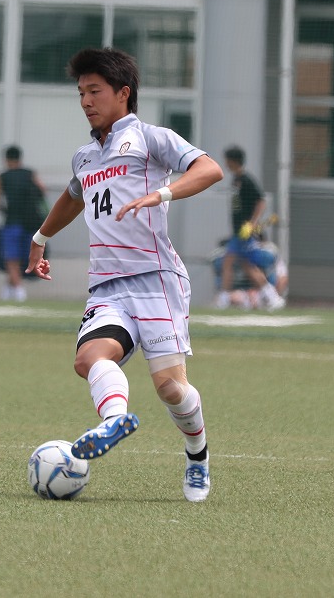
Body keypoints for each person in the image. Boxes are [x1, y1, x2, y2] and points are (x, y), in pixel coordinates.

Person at [25, 48, 224, 502]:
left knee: (171, 389)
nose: (85, 101)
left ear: (123, 93)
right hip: (107, 286)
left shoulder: (151, 138)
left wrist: (162, 194)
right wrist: (40, 237)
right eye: (81, 93)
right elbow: (73, 198)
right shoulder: (84, 157)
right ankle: (114, 420)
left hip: (156, 279)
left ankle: (197, 458)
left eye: (94, 91)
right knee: (88, 358)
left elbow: (209, 169)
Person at [214, 147, 285, 311]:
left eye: (227, 160)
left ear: (233, 161)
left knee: (230, 262)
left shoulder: (246, 180)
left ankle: (224, 299)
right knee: (246, 265)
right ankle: (272, 297)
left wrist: (253, 223)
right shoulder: (236, 180)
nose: (225, 163)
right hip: (238, 231)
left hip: (244, 232)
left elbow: (261, 201)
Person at [0, 145, 46, 302]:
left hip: (12, 221)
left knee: (11, 257)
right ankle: (9, 289)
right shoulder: (30, 174)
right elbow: (42, 190)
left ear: (6, 159)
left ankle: (19, 291)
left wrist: (5, 210)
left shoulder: (2, 176)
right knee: (24, 256)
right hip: (31, 221)